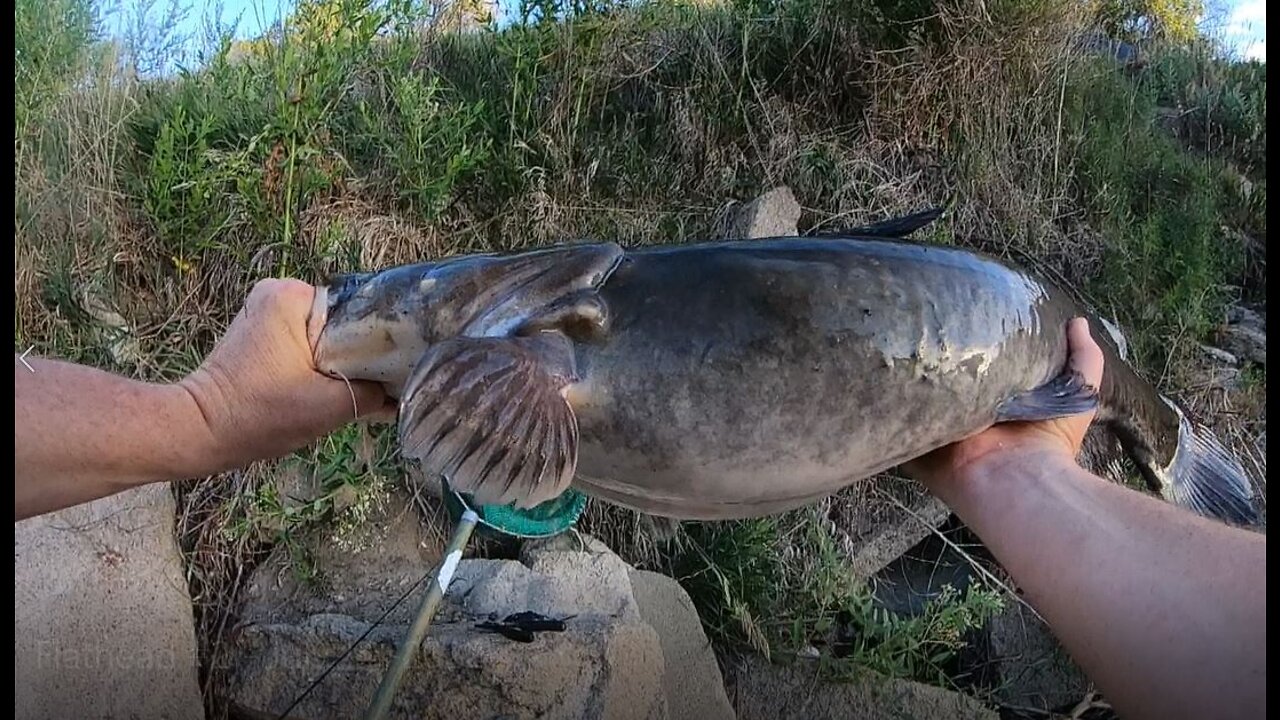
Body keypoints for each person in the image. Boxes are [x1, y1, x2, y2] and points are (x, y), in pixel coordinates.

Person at [14, 280, 1265, 720]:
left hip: (1014, 338)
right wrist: (191, 420)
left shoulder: (554, 316)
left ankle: (1183, 456)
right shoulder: (540, 331)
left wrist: (197, 419)